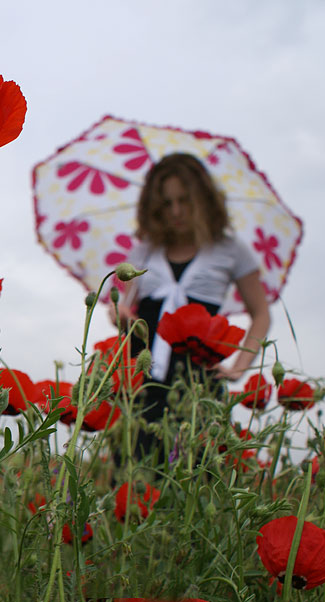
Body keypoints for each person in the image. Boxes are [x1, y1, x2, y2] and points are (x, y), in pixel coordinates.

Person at [111, 153, 271, 457]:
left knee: (194, 473)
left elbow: (261, 314)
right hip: (139, 378)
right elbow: (122, 307)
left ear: (203, 199)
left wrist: (239, 368)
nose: (176, 211)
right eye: (166, 204)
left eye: (185, 201)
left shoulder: (230, 250)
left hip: (198, 381)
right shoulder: (144, 251)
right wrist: (118, 313)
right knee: (133, 473)